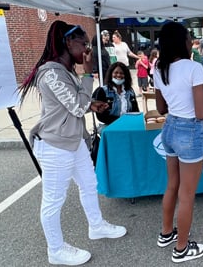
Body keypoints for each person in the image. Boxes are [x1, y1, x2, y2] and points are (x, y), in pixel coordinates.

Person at [18, 21, 127, 266]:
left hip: (74, 140)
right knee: (54, 199)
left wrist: (91, 104)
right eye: (83, 44)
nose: (87, 50)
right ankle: (55, 250)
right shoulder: (51, 73)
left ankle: (96, 225)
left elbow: (73, 105)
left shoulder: (65, 71)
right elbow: (76, 105)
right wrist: (88, 75)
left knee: (89, 183)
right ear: (68, 42)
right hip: (56, 144)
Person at [154, 21, 203, 263]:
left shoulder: (159, 68)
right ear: (181, 42)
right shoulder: (194, 68)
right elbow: (201, 114)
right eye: (189, 38)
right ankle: (181, 248)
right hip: (190, 131)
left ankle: (166, 233)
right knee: (187, 195)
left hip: (168, 129)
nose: (192, 42)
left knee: (172, 186)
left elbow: (160, 108)